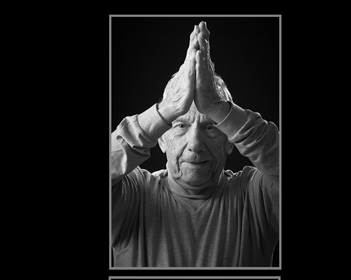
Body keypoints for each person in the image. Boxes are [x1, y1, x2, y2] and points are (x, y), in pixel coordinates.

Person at [110, 21, 279, 267]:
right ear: (161, 137)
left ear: (230, 140)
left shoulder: (257, 196)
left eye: (211, 126)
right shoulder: (132, 195)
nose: (195, 144)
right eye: (180, 125)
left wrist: (219, 108)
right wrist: (166, 109)